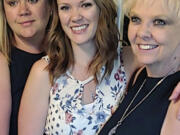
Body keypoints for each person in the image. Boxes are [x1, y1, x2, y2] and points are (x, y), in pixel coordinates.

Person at [18, 0, 135, 134]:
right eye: (65, 8)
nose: (75, 17)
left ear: (102, 8)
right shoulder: (44, 71)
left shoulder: (129, 60)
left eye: (85, 5)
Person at [98, 0, 180, 134]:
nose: (142, 33)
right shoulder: (140, 75)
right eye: (136, 19)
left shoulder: (177, 100)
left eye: (159, 22)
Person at [0, 0, 57, 134]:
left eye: (32, 0)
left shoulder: (71, 59)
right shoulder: (2, 63)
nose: (23, 11)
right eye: (13, 3)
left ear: (51, 6)